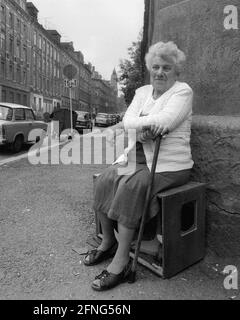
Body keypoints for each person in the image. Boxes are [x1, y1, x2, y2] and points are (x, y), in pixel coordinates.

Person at [84, 41, 194, 291]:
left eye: (166, 67)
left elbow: (166, 120)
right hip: (136, 156)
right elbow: (127, 119)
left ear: (176, 71)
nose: (160, 72)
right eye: (155, 66)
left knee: (131, 187)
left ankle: (121, 262)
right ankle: (108, 242)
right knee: (106, 179)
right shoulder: (143, 92)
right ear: (149, 68)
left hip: (168, 164)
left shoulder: (182, 92)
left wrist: (136, 125)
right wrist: (141, 127)